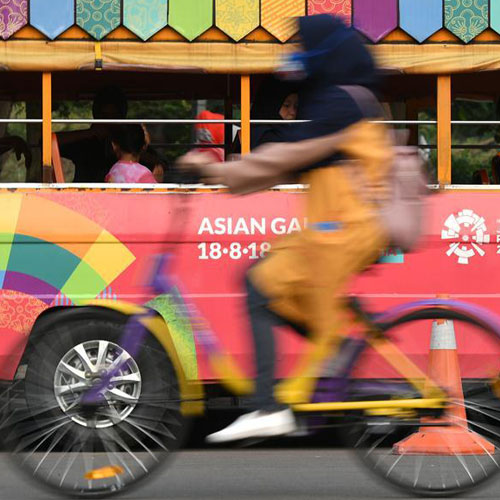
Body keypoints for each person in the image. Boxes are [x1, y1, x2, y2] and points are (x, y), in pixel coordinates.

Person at [178, 14, 393, 443]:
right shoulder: (342, 97)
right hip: (336, 225)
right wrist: (233, 177)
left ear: (324, 53)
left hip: (342, 228)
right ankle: (335, 350)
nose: (296, 55)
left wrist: (214, 170)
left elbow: (283, 158)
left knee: (259, 283)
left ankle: (269, 406)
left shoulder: (339, 102)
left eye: (303, 46)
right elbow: (283, 164)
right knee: (272, 287)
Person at [58, 86, 128, 182]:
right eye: (104, 116)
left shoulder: (128, 142)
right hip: (84, 190)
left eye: (113, 117)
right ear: (96, 116)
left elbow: (147, 158)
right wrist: (89, 133)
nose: (108, 122)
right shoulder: (85, 142)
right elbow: (46, 142)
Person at [233, 77, 298, 153]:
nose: (293, 112)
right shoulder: (262, 136)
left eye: (296, 106)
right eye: (286, 105)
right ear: (270, 106)